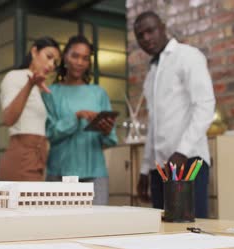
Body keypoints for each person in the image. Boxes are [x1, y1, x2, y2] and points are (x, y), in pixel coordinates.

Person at [133, 11, 216, 218]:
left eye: (150, 30)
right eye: (140, 35)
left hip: (188, 161)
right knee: (163, 232)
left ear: (162, 27)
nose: (146, 38)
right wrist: (145, 169)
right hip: (160, 167)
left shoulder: (188, 56)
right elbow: (154, 123)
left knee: (191, 230)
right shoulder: (152, 73)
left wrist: (182, 151)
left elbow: (205, 106)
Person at [43, 35, 118, 205]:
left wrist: (106, 130)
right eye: (75, 56)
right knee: (59, 229)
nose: (79, 62)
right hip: (59, 172)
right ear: (64, 58)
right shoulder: (51, 93)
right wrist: (76, 117)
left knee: (96, 227)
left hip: (95, 173)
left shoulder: (99, 93)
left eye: (85, 58)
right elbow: (50, 133)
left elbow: (111, 138)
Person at [0, 37, 61, 181]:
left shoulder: (40, 87)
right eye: (48, 57)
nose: (51, 65)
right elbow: (8, 118)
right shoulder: (15, 77)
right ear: (34, 51)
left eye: (55, 62)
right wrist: (29, 85)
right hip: (22, 158)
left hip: (38, 159)